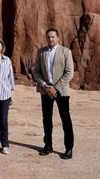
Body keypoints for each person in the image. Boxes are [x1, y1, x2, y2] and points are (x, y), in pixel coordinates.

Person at [33, 27, 75, 159]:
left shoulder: (65, 52)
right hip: (45, 90)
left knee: (65, 119)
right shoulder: (41, 52)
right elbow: (36, 70)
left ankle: (68, 148)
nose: (50, 39)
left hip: (61, 90)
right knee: (47, 119)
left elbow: (69, 73)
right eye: (48, 37)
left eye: (53, 37)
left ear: (58, 38)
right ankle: (48, 145)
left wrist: (55, 88)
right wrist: (45, 85)